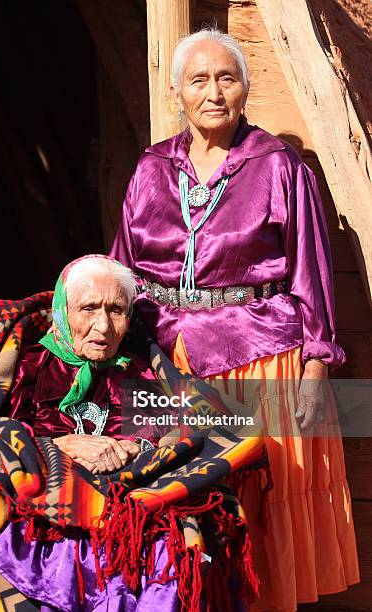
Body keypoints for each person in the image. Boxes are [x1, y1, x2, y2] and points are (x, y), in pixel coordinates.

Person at [110, 27, 359, 612]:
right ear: (178, 93)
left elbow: (311, 268)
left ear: (246, 90)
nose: (214, 92)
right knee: (177, 504)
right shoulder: (150, 170)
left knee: (259, 501)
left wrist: (317, 363)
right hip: (165, 365)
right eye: (199, 80)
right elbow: (121, 264)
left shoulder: (277, 166)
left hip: (261, 354)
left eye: (227, 78)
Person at [0, 255, 180, 610]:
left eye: (116, 310)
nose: (103, 326)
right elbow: (2, 433)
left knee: (167, 545)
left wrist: (135, 447)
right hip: (50, 503)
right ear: (63, 311)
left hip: (124, 504)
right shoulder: (33, 366)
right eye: (88, 308)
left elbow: (162, 431)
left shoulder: (135, 371)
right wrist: (61, 446)